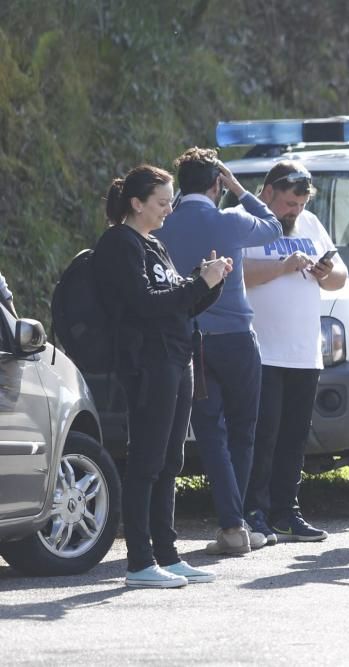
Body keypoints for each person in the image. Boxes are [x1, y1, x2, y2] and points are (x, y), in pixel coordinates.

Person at [92, 165, 232, 588]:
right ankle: (139, 560)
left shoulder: (155, 244)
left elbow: (179, 305)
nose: (170, 209)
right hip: (148, 363)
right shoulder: (120, 244)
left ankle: (167, 555)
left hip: (177, 358)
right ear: (137, 204)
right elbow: (146, 304)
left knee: (171, 460)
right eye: (163, 202)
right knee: (147, 461)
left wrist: (211, 283)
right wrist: (197, 283)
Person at [156, 147, 282, 555]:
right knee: (243, 431)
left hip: (193, 341)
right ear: (217, 183)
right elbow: (273, 227)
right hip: (238, 338)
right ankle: (237, 521)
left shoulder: (165, 223)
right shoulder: (230, 219)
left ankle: (232, 525)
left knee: (211, 433)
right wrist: (240, 189)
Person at [242, 162, 348, 543]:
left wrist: (325, 272)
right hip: (263, 350)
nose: (294, 211)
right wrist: (282, 266)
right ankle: (253, 510)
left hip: (305, 352)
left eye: (300, 205)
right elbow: (235, 272)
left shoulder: (312, 225)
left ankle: (287, 512)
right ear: (267, 192)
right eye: (289, 203)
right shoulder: (245, 220)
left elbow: (340, 278)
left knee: (294, 439)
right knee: (263, 435)